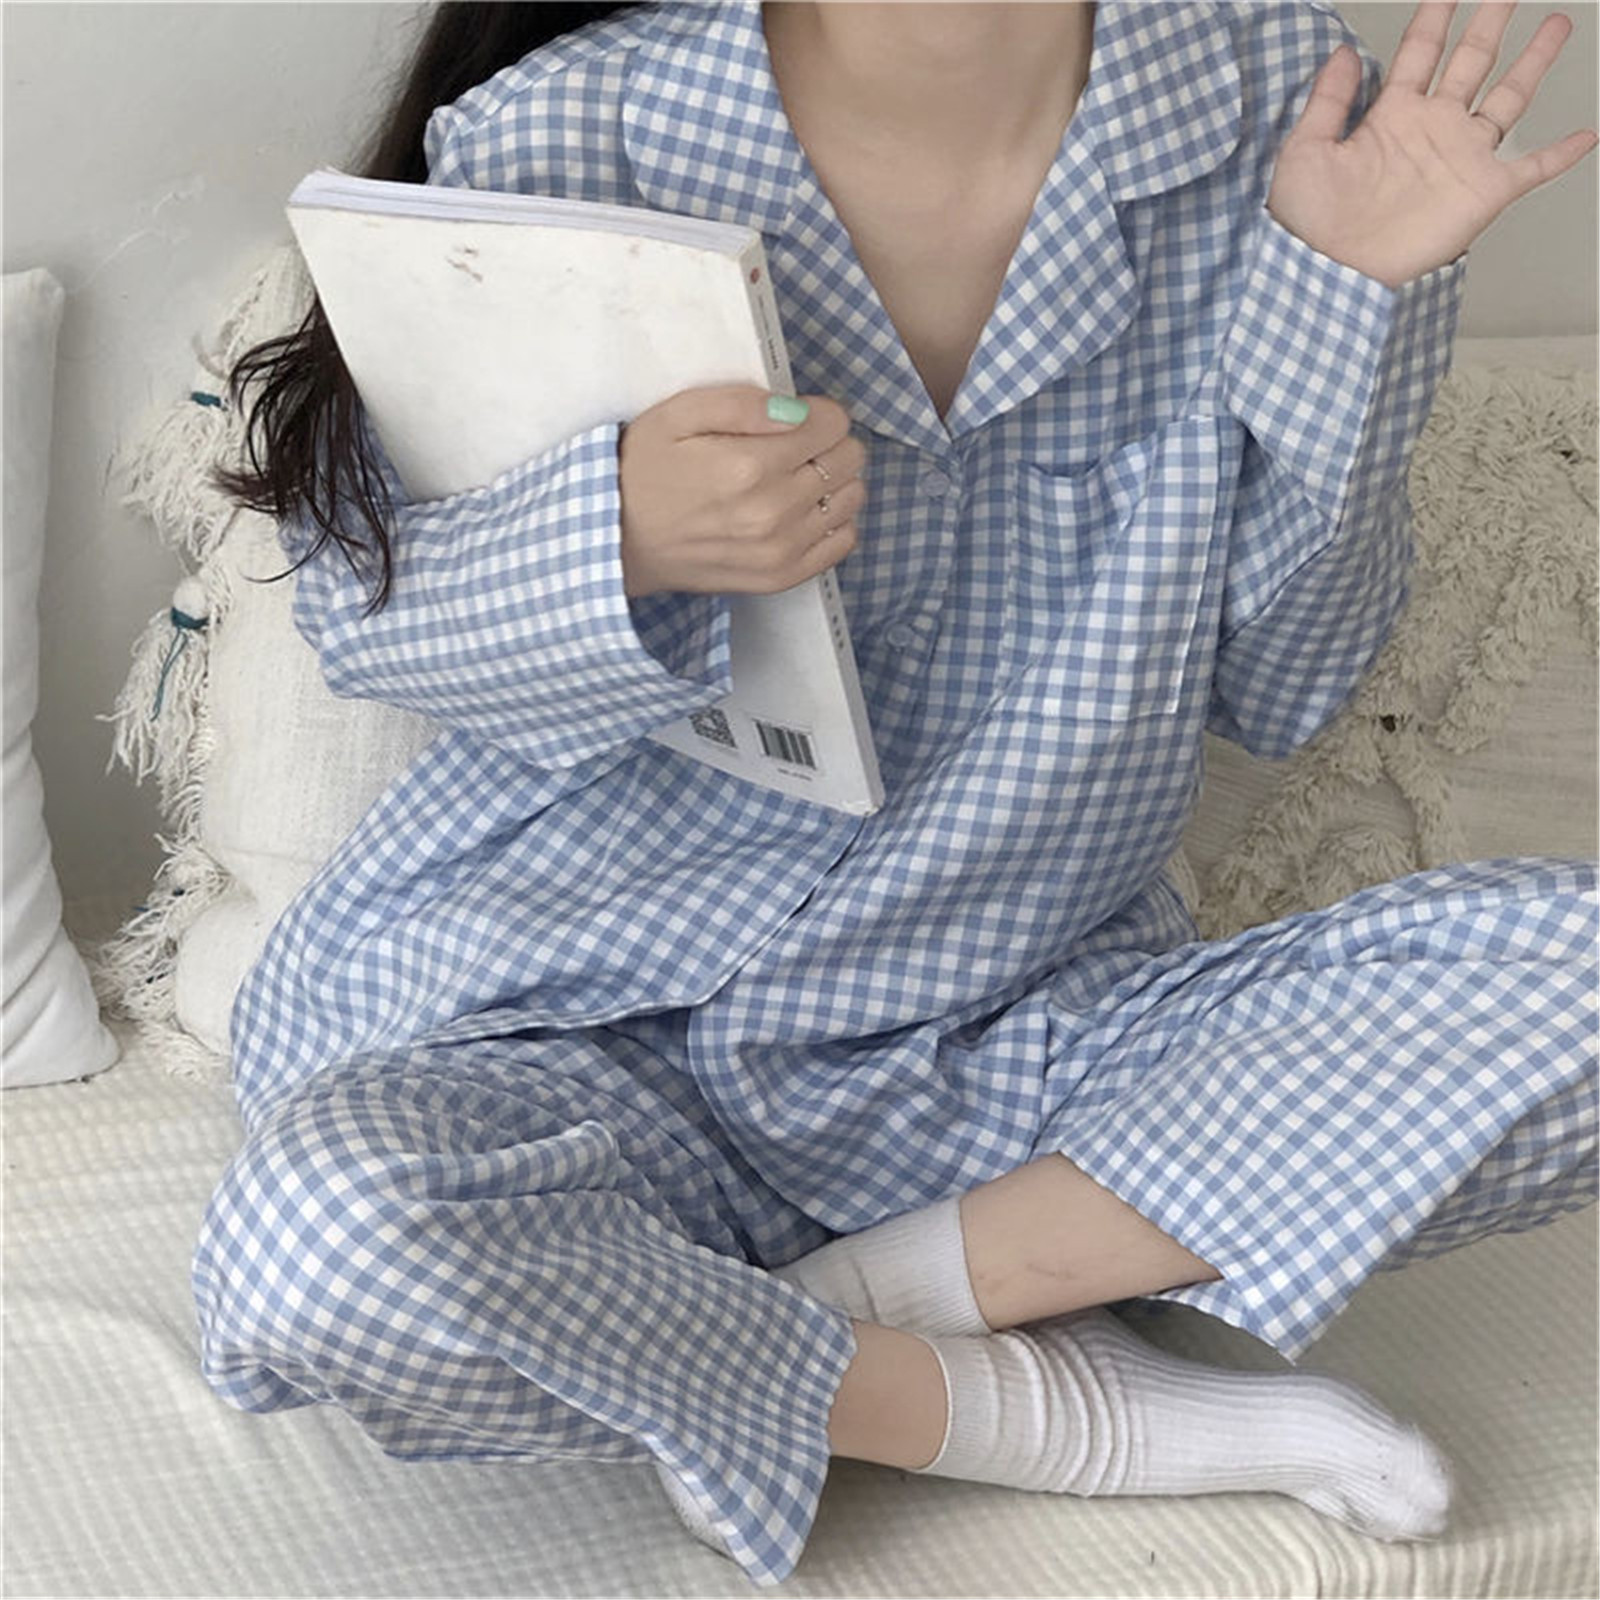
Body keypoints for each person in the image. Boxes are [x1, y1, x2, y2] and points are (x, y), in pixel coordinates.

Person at [195, 0, 1598, 1583]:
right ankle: (1041, 1413)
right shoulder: (559, 131)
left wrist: (1355, 295)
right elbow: (371, 622)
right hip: (555, 1032)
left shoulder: (1294, 101)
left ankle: (862, 1310)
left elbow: (1284, 689)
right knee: (323, 1244)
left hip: (1002, 1050)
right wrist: (622, 536)